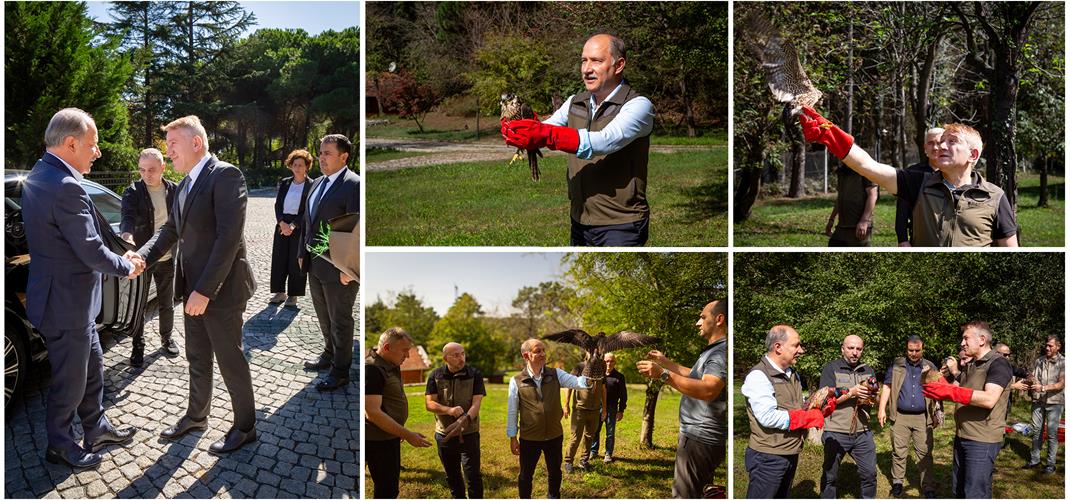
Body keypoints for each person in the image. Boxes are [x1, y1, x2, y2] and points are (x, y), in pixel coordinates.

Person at [22, 108, 141, 468]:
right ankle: (60, 444)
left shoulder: (41, 174)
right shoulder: (66, 187)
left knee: (92, 368)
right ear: (71, 143)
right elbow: (89, 249)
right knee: (70, 381)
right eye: (93, 144)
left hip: (69, 304)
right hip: (66, 307)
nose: (98, 152)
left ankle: (96, 425)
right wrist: (127, 266)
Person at [132, 115, 257, 454]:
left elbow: (228, 238)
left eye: (173, 144)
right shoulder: (185, 184)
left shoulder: (227, 175)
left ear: (196, 143)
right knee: (197, 356)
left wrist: (205, 291)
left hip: (222, 290)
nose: (167, 151)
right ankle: (197, 416)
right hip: (192, 290)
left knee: (231, 359)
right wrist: (142, 256)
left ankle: (246, 426)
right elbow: (170, 231)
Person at [502, 34, 655, 246]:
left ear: (619, 65)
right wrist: (522, 131)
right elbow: (548, 127)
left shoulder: (638, 106)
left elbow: (605, 141)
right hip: (580, 217)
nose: (586, 69)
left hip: (621, 223)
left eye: (596, 61)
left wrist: (546, 135)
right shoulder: (575, 102)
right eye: (584, 60)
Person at [800, 108, 1018, 246]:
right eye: (941, 141)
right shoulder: (918, 182)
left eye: (952, 141)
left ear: (973, 154)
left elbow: (1009, 250)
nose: (941, 145)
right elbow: (867, 165)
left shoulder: (995, 197)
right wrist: (828, 133)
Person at [637, 299, 729, 499]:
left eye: (703, 317)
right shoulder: (715, 350)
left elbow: (709, 389)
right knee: (701, 493)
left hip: (699, 439)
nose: (698, 322)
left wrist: (663, 375)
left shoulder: (721, 352)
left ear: (719, 319)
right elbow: (696, 376)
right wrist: (665, 362)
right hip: (700, 438)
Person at [741, 325, 837, 498]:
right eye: (796, 345)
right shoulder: (759, 376)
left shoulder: (792, 373)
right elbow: (767, 417)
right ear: (778, 347)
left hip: (790, 452)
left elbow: (797, 404)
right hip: (768, 457)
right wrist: (806, 418)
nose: (801, 350)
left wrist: (819, 404)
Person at [298, 134, 361, 392]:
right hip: (315, 264)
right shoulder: (316, 184)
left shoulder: (353, 185)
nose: (321, 158)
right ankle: (328, 354)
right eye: (321, 152)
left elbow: (357, 229)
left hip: (340, 269)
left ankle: (341, 370)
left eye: (327, 153)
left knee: (340, 320)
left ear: (343, 157)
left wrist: (352, 269)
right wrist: (303, 251)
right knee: (324, 316)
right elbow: (307, 221)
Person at [922, 321, 1012, 498]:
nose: (962, 343)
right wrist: (935, 381)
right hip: (962, 436)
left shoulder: (998, 364)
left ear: (982, 339)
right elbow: (955, 387)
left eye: (965, 338)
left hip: (982, 440)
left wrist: (950, 391)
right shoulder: (971, 365)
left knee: (974, 493)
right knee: (960, 490)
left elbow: (989, 399)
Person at [506, 338, 594, 498]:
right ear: (526, 356)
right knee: (526, 475)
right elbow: (512, 411)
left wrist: (592, 369)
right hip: (529, 438)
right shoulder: (516, 381)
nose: (543, 354)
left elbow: (578, 382)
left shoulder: (555, 374)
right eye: (537, 351)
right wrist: (513, 437)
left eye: (543, 350)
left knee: (555, 473)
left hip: (554, 436)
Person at [120, 147, 179, 366]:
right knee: (139, 305)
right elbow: (126, 217)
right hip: (141, 259)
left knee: (167, 303)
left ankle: (167, 338)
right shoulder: (133, 191)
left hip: (167, 257)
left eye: (152, 170)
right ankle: (138, 345)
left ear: (163, 167)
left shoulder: (174, 190)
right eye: (142, 170)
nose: (146, 175)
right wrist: (127, 236)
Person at [366, 328, 432, 498]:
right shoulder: (373, 369)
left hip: (389, 435)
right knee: (387, 491)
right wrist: (407, 434)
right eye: (404, 350)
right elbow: (372, 412)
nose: (408, 356)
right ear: (387, 348)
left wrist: (398, 430)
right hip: (378, 441)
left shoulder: (389, 364)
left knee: (388, 489)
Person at [877, 336, 940, 498]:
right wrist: (881, 409)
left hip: (923, 418)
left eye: (917, 350)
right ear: (906, 349)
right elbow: (887, 386)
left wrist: (936, 413)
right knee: (899, 452)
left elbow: (938, 390)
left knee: (925, 453)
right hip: (900, 417)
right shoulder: (897, 365)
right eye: (910, 350)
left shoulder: (930, 366)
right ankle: (897, 483)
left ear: (922, 349)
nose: (913, 353)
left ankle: (928, 486)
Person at [424, 342, 486, 498]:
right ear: (446, 358)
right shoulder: (435, 375)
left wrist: (464, 420)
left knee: (473, 475)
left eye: (463, 354)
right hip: (444, 434)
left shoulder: (474, 374)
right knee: (452, 475)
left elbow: (476, 403)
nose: (461, 358)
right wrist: (449, 410)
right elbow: (429, 403)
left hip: (469, 433)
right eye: (456, 355)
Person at [819, 335, 877, 499]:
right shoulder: (831, 368)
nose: (855, 352)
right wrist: (852, 392)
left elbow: (875, 397)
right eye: (851, 348)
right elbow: (824, 400)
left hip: (863, 432)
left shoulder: (868, 370)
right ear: (842, 348)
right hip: (836, 431)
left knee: (870, 474)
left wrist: (872, 397)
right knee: (830, 476)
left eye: (858, 349)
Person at [269, 149, 313, 308]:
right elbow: (278, 205)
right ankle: (280, 292)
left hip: (299, 226)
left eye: (301, 165)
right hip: (282, 225)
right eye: (295, 164)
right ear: (291, 166)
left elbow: (308, 210)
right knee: (279, 259)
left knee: (296, 261)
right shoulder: (285, 182)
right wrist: (281, 223)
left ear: (307, 166)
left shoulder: (311, 185)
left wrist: (293, 226)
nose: (298, 168)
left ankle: (293, 295)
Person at [1021, 336, 1064, 474]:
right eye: (1046, 345)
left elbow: (1061, 384)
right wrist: (1029, 380)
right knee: (1036, 431)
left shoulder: (1064, 362)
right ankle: (1035, 460)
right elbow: (1033, 377)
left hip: (1055, 402)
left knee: (1051, 434)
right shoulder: (1039, 360)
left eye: (1050, 346)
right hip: (1038, 401)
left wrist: (1043, 388)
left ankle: (1050, 464)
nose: (1047, 348)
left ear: (1058, 347)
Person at [895, 128, 943, 246]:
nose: (935, 148)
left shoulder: (955, 173)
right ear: (925, 147)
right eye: (931, 143)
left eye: (939, 143)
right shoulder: (912, 174)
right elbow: (902, 210)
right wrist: (903, 240)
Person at [563, 360, 606, 473]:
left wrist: (604, 409)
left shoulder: (601, 367)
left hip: (595, 410)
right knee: (575, 437)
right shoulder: (579, 367)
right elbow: (569, 386)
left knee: (589, 437)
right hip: (579, 409)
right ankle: (568, 462)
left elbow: (603, 388)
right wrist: (566, 404)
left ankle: (584, 461)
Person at [825, 164, 877, 247]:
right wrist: (832, 219)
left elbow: (873, 195)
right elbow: (840, 197)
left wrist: (864, 221)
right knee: (833, 245)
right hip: (842, 226)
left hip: (858, 227)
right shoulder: (842, 171)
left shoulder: (866, 168)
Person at [589, 352, 626, 463]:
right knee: (595, 430)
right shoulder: (598, 375)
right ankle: (593, 451)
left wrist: (621, 410)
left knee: (610, 433)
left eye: (611, 361)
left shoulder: (619, 377)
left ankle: (608, 454)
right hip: (597, 407)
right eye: (607, 361)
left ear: (614, 362)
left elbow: (623, 395)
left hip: (612, 408)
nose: (609, 363)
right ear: (603, 362)